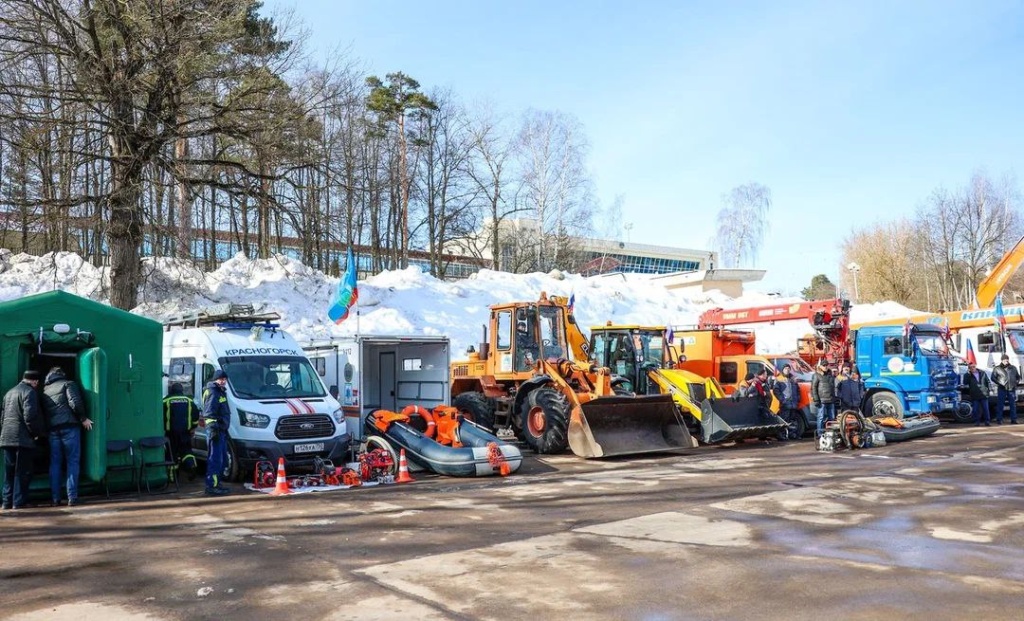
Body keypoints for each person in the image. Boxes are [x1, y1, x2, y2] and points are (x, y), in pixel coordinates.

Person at [42, 366, 92, 507]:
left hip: (53, 430)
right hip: (69, 426)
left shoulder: (45, 391)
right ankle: (72, 497)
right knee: (72, 461)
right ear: (62, 375)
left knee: (55, 463)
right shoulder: (68, 384)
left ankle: (55, 498)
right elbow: (75, 402)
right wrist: (83, 418)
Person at [1, 370, 46, 511]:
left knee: (9, 472)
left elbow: (2, 418)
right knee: (22, 472)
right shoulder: (30, 392)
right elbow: (30, 417)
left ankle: (6, 502)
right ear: (35, 381)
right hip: (22, 439)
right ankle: (18, 502)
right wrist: (36, 434)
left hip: (7, 437)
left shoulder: (9, 393)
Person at [202, 370, 231, 496]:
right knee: (215, 459)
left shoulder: (220, 391)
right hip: (216, 430)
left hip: (221, 430)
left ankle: (217, 483)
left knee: (223, 459)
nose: (223, 381)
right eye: (221, 379)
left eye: (225, 379)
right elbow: (208, 413)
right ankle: (211, 486)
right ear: (215, 379)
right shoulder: (213, 392)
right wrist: (213, 428)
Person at [163, 383, 200, 480]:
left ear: (171, 390)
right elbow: (196, 415)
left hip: (171, 433)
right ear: (181, 390)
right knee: (186, 451)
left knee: (172, 453)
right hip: (185, 432)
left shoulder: (165, 401)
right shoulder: (189, 400)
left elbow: (160, 417)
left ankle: (172, 478)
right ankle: (192, 465)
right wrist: (193, 427)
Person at [991, 354, 1020, 425]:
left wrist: (1016, 383)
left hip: (1011, 389)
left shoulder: (1013, 368)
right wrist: (999, 383)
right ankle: (999, 419)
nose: (1006, 361)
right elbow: (993, 377)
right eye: (1005, 360)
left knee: (1012, 405)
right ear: (1002, 360)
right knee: (1000, 404)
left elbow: (1018, 377)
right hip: (1002, 389)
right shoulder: (997, 368)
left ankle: (1013, 419)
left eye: (1007, 359)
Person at [775, 364, 802, 440]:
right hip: (785, 404)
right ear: (783, 370)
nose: (787, 370)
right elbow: (776, 391)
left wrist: (798, 399)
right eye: (785, 368)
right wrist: (782, 400)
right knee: (784, 420)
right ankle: (782, 435)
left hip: (793, 403)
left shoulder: (793, 379)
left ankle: (792, 434)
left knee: (793, 420)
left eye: (788, 368)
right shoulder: (779, 379)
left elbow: (797, 390)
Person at [811, 361, 837, 437]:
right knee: (820, 417)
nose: (825, 367)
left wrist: (834, 398)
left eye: (826, 365)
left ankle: (830, 433)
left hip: (831, 400)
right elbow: (813, 388)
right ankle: (820, 434)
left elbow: (833, 387)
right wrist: (816, 399)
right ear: (820, 366)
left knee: (832, 417)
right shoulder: (816, 375)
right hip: (821, 400)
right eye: (824, 365)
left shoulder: (830, 375)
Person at [963, 362, 991, 427]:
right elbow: (965, 382)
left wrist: (988, 390)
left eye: (973, 367)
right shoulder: (967, 375)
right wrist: (968, 374)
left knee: (986, 409)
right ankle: (977, 421)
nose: (972, 368)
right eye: (970, 367)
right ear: (969, 368)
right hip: (975, 394)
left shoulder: (982, 373)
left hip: (984, 393)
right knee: (975, 409)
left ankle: (987, 421)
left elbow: (987, 381)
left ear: (975, 366)